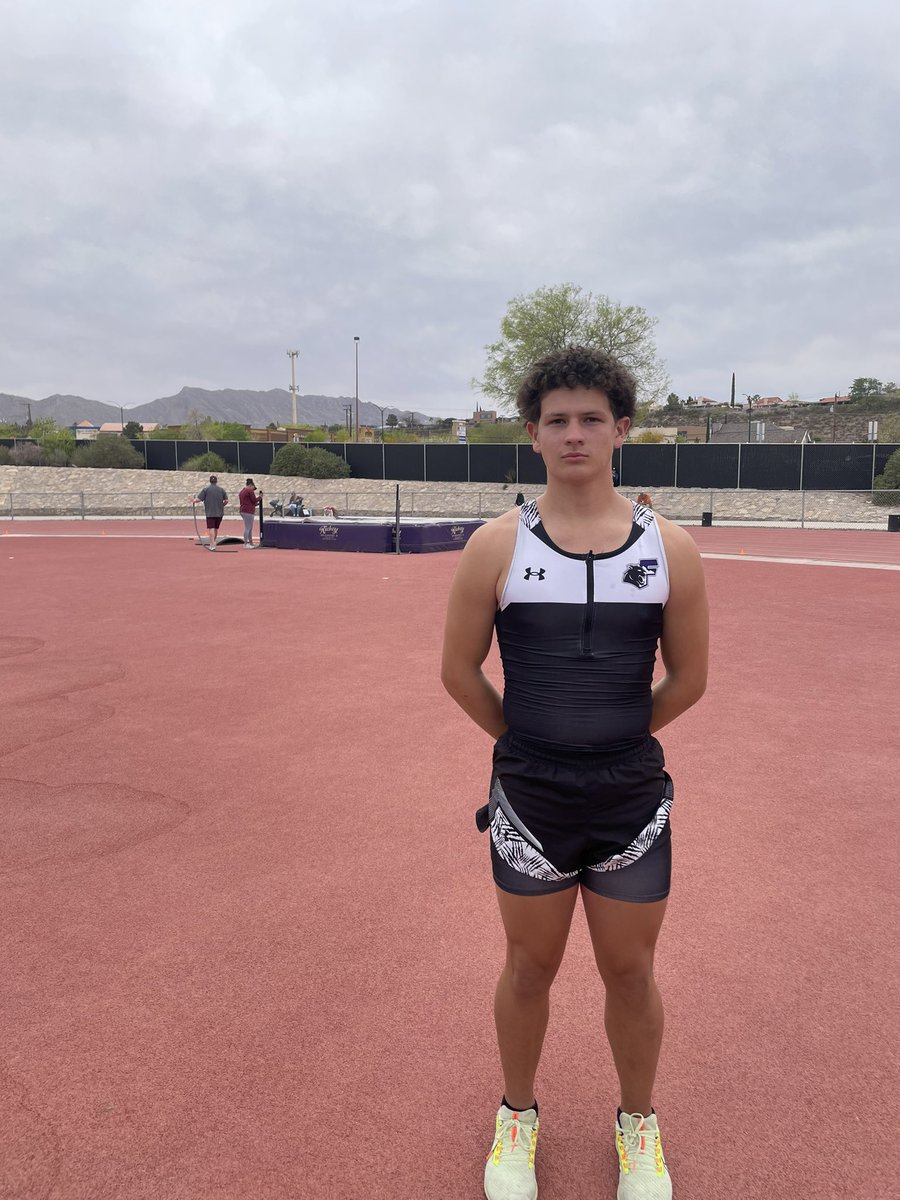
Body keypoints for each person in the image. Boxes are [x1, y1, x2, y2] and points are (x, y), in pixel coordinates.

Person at [441, 346, 708, 1200]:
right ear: (533, 435)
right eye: (557, 420)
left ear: (622, 429)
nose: (575, 433)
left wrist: (620, 738)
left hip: (630, 797)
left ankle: (639, 1128)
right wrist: (526, 743)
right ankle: (517, 1115)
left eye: (593, 417)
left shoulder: (671, 548)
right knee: (529, 968)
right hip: (531, 797)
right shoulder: (495, 546)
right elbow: (459, 671)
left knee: (631, 971)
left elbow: (690, 680)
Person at [193, 475, 228, 548]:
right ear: (216, 481)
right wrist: (222, 505)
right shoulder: (221, 490)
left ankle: (212, 544)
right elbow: (226, 500)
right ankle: (214, 542)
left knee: (211, 528)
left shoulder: (206, 489)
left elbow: (199, 499)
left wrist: (194, 501)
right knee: (216, 528)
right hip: (219, 512)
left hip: (210, 512)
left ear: (210, 481)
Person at [238, 478, 259, 546]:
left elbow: (249, 501)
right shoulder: (250, 491)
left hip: (243, 510)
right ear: (251, 485)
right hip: (248, 511)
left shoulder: (242, 491)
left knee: (249, 527)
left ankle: (250, 542)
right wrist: (260, 497)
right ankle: (246, 543)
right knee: (248, 527)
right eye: (253, 488)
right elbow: (254, 500)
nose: (253, 490)